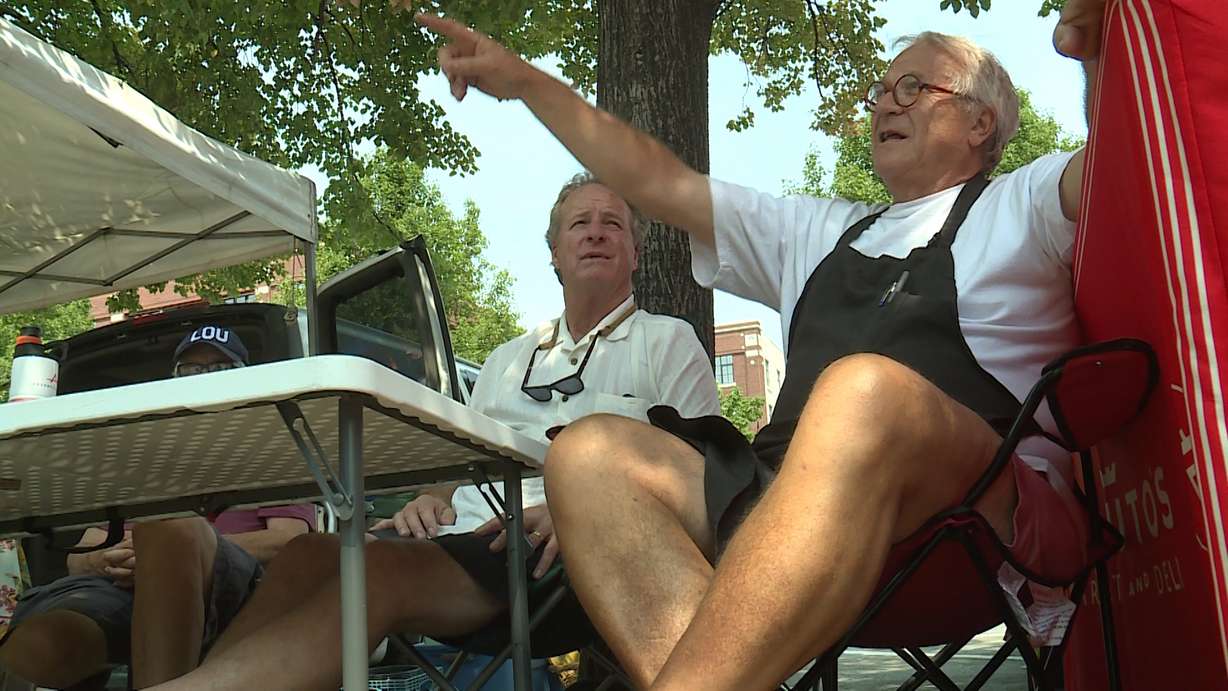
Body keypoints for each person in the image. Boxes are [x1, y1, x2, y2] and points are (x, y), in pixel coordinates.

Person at [413, 1, 1107, 689]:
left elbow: (1130, 163)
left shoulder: (1026, 201)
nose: (883, 106)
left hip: (974, 520)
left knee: (862, 388)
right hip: (782, 513)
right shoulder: (814, 232)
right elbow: (658, 181)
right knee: (587, 453)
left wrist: (1098, 60)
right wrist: (530, 82)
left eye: (912, 88)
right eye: (878, 93)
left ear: (981, 122)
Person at [150, 174, 720, 690]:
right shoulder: (508, 358)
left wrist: (589, 508)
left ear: (636, 254)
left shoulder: (668, 342)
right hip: (463, 541)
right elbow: (462, 457)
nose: (596, 234)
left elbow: (700, 476)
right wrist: (432, 495)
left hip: (562, 562)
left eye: (612, 224)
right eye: (580, 224)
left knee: (374, 569)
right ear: (554, 253)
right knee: (310, 554)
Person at [0, 326, 315, 689]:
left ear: (245, 375)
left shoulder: (269, 446)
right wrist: (99, 560)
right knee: (43, 643)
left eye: (220, 369)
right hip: (122, 591)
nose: (204, 380)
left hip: (229, 591)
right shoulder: (143, 457)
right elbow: (79, 554)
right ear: (174, 379)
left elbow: (289, 541)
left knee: (167, 528)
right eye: (192, 370)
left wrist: (160, 553)